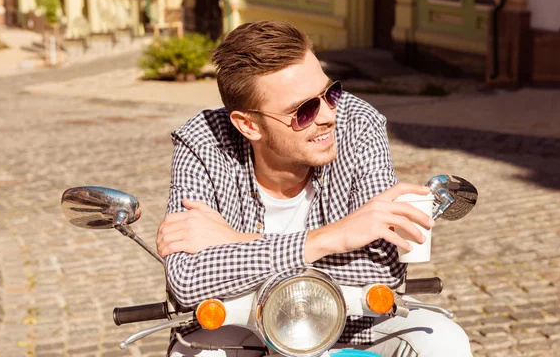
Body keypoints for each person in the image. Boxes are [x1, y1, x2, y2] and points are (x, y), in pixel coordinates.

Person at [156, 21, 472, 356]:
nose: (327, 115)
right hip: (240, 322)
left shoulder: (358, 123)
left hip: (353, 320)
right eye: (303, 110)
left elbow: (383, 267)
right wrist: (333, 238)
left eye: (330, 93)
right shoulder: (203, 140)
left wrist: (238, 243)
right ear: (248, 125)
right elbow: (188, 280)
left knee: (443, 340)